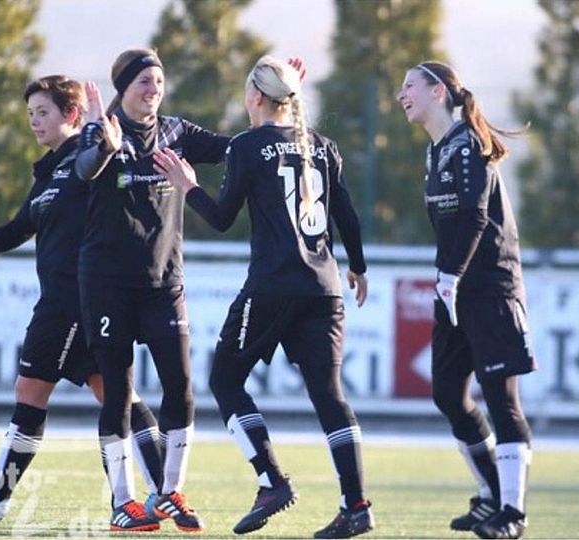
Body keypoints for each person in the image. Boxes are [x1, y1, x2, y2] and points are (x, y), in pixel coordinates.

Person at [154, 55, 373, 540]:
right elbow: (348, 215)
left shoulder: (248, 146)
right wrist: (356, 266)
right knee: (329, 395)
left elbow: (222, 217)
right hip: (325, 288)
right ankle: (355, 505)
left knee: (225, 378)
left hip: (274, 285)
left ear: (255, 96)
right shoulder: (322, 145)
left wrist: (187, 187)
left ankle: (272, 480)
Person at [74, 47, 233, 533]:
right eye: (144, 82)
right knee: (118, 396)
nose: (154, 90)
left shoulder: (177, 132)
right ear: (123, 88)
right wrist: (106, 144)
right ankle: (123, 503)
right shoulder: (100, 130)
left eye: (159, 82)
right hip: (107, 285)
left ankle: (169, 493)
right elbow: (84, 169)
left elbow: (235, 148)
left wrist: (280, 115)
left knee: (181, 388)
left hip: (164, 283)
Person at [0, 75, 103, 520]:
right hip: (70, 302)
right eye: (30, 114)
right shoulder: (48, 172)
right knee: (114, 395)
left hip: (69, 301)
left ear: (71, 114)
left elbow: (109, 156)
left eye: (43, 112)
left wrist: (99, 126)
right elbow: (18, 228)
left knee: (30, 391)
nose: (34, 121)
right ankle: (165, 490)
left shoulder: (85, 162)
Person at [396, 61, 537, 540]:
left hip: (489, 290)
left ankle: (512, 515)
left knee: (502, 400)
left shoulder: (469, 145)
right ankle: (491, 498)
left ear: (438, 92)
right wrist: (447, 280)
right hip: (453, 288)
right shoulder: (437, 151)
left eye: (409, 86)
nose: (401, 96)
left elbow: (477, 217)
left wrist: (450, 277)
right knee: (447, 393)